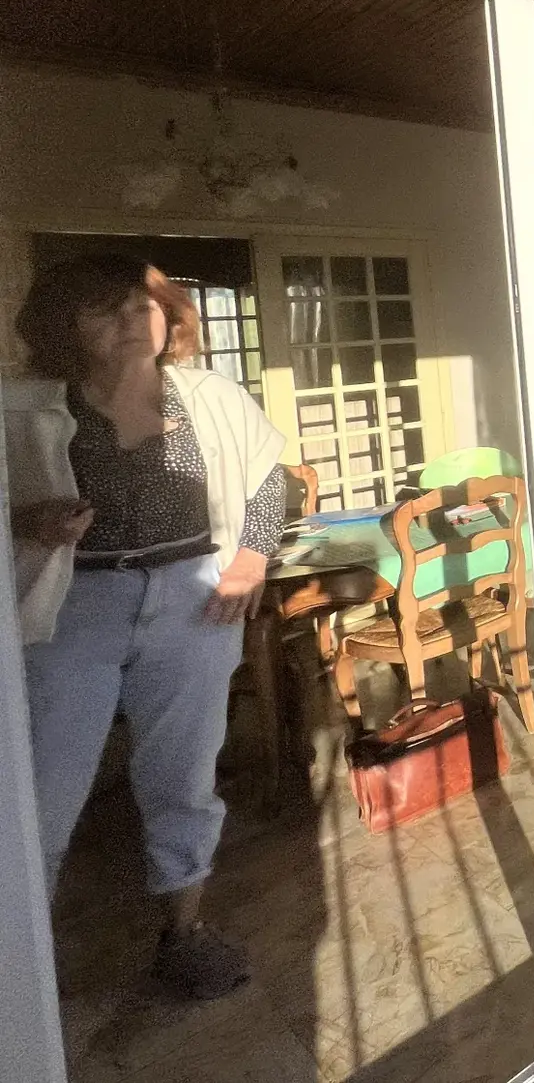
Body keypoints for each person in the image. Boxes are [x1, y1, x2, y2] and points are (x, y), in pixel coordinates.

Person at [5, 257, 287, 1001]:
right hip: (73, 609)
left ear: (169, 318)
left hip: (194, 602)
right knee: (42, 789)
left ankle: (184, 932)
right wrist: (27, 522)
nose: (133, 320)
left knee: (185, 778)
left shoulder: (209, 397)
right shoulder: (22, 409)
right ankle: (22, 969)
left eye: (144, 305)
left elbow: (269, 477)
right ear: (65, 326)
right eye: (106, 308)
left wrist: (251, 560)